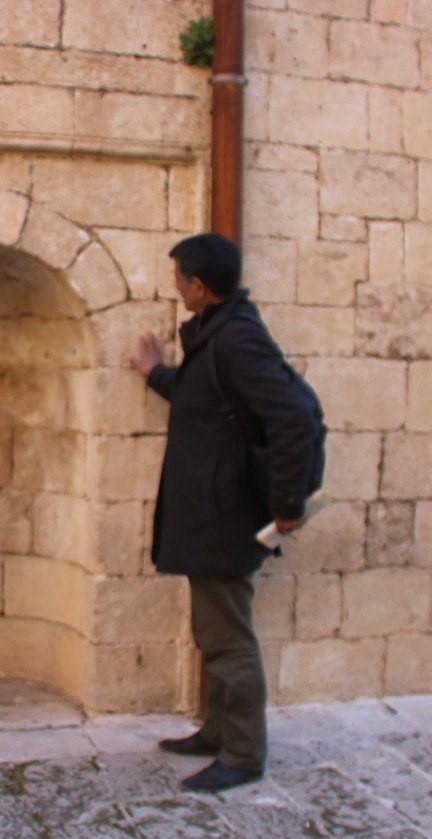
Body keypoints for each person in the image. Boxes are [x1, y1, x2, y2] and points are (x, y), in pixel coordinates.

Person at [130, 232, 323, 792]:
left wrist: (287, 506)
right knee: (213, 630)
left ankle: (243, 754)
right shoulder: (219, 335)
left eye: (178, 280)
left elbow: (296, 420)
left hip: (227, 514)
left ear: (200, 284)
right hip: (212, 514)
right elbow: (206, 400)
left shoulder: (236, 338)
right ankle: (217, 732)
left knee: (229, 639)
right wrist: (155, 374)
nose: (176, 289)